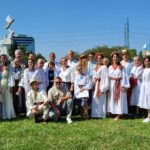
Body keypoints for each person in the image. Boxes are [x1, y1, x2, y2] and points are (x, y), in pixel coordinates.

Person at [107, 51, 130, 120]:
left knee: (120, 99)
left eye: (116, 57)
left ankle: (119, 114)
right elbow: (108, 77)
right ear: (112, 58)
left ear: (118, 58)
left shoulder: (121, 67)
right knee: (112, 98)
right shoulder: (110, 67)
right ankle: (113, 112)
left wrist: (124, 86)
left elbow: (124, 76)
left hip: (120, 84)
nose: (115, 58)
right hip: (112, 84)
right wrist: (107, 87)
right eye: (114, 57)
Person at [91, 53, 109, 118]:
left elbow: (106, 77)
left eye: (100, 58)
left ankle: (101, 114)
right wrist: (92, 84)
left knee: (101, 100)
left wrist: (104, 87)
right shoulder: (95, 66)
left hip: (101, 84)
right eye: (98, 58)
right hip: (95, 84)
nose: (99, 59)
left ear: (102, 59)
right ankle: (95, 114)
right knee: (95, 99)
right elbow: (93, 76)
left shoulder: (104, 67)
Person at [9, 49, 26, 115]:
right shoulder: (11, 63)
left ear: (21, 55)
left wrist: (20, 85)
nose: (18, 55)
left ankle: (22, 110)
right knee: (14, 97)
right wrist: (11, 85)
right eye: (17, 54)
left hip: (21, 81)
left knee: (21, 96)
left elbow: (23, 74)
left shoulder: (24, 63)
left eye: (20, 54)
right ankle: (16, 111)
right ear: (15, 55)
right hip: (13, 82)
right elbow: (10, 74)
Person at [0, 53, 16, 119]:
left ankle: (9, 115)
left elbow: (11, 76)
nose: (3, 59)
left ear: (6, 59)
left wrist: (11, 86)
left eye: (4, 58)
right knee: (2, 101)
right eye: (2, 58)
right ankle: (3, 115)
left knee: (8, 100)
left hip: (7, 86)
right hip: (1, 86)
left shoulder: (9, 67)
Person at [138, 57, 150, 123]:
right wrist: (141, 66)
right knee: (147, 101)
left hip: (149, 85)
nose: (147, 62)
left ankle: (148, 116)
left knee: (149, 100)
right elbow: (137, 75)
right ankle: (148, 116)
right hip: (144, 86)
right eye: (145, 61)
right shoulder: (143, 69)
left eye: (148, 61)